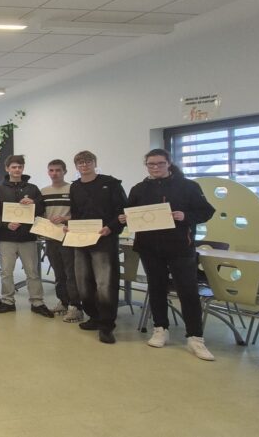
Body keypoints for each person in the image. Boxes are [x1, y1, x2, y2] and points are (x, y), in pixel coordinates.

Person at [120, 149, 216, 360]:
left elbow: (207, 212)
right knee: (156, 288)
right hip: (149, 247)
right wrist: (125, 218)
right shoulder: (139, 189)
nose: (155, 167)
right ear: (146, 165)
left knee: (187, 291)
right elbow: (130, 212)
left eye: (160, 164)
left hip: (180, 247)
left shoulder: (189, 186)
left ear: (169, 163)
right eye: (151, 164)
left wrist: (186, 216)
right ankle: (160, 328)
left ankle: (195, 337)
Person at [68, 151, 127, 344]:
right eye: (80, 163)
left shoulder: (111, 183)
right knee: (83, 282)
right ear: (76, 166)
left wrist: (111, 228)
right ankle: (93, 317)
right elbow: (75, 213)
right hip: (81, 240)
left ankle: (107, 326)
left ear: (94, 163)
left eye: (87, 162)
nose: (84, 165)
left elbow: (122, 212)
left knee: (105, 284)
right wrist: (71, 227)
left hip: (105, 239)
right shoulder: (75, 187)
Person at [0, 155, 53, 317]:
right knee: (6, 272)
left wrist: (34, 203)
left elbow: (41, 209)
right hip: (6, 237)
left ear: (23, 168)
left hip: (28, 237)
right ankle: (8, 301)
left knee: (32, 272)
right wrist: (6, 224)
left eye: (20, 167)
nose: (17, 170)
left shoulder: (33, 189)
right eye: (14, 167)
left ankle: (37, 302)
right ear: (7, 169)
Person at [41, 159, 83, 322]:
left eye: (58, 170)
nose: (54, 173)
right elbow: (40, 213)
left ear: (65, 171)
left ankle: (75, 306)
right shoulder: (43, 191)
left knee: (71, 272)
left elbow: (80, 212)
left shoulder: (73, 189)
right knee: (58, 272)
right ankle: (64, 302)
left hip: (69, 237)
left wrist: (66, 219)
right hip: (51, 237)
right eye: (51, 170)